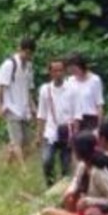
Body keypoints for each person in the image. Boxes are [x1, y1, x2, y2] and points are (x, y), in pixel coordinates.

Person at [41, 132, 108, 215]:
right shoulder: (83, 165)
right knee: (70, 198)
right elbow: (75, 181)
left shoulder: (99, 173)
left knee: (47, 213)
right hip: (82, 212)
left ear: (80, 151)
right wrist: (71, 190)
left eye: (74, 149)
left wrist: (90, 201)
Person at [0, 38, 37, 164]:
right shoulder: (9, 64)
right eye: (25, 52)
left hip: (24, 109)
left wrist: (33, 106)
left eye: (30, 53)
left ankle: (7, 166)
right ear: (20, 49)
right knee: (17, 141)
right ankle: (24, 172)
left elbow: (28, 89)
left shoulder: (29, 67)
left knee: (27, 142)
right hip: (11, 107)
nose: (27, 55)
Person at [36, 58, 76, 187]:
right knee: (46, 160)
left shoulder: (71, 89)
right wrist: (39, 134)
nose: (58, 73)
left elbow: (76, 112)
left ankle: (64, 190)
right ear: (50, 73)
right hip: (50, 131)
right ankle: (50, 186)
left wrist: (75, 133)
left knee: (66, 165)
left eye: (60, 70)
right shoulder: (45, 90)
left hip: (67, 131)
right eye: (55, 70)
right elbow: (41, 113)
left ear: (64, 71)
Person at [67, 54, 105, 132]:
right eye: (72, 70)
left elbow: (99, 104)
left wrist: (99, 127)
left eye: (75, 69)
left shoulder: (95, 80)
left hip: (90, 119)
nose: (74, 72)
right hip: (74, 119)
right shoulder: (70, 81)